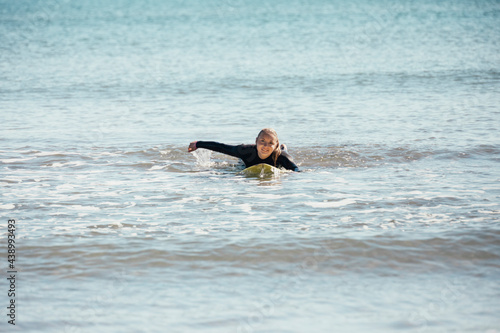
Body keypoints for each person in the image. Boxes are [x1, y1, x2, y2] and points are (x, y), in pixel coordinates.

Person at [188, 128, 300, 171]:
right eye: (262, 141)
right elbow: (222, 147)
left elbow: (296, 170)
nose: (265, 146)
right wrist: (198, 144)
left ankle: (282, 147)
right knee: (240, 161)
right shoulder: (245, 151)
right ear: (256, 141)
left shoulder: (282, 157)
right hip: (248, 158)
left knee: (284, 152)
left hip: (278, 154)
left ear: (275, 146)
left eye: (270, 143)